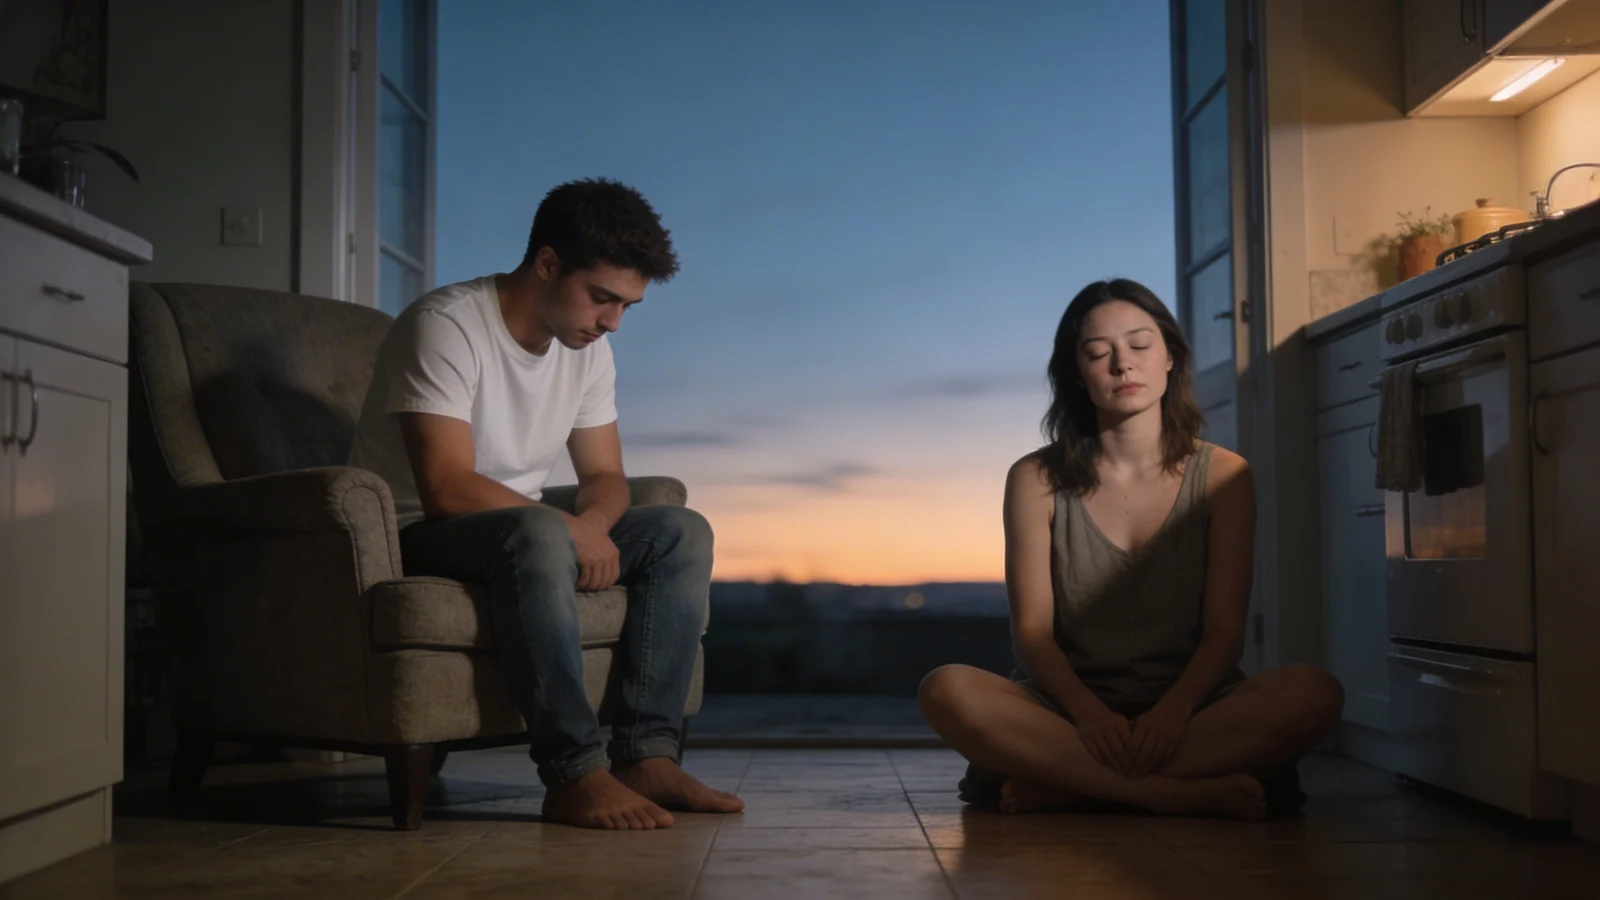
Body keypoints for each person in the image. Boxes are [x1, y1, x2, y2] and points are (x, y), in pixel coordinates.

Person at [349, 178, 743, 830]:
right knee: (535, 535)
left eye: (627, 307)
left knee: (680, 530)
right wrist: (561, 529)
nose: (612, 321)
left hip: (524, 524)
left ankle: (646, 755)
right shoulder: (444, 325)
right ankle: (573, 773)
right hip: (414, 529)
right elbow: (445, 484)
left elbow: (606, 476)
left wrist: (590, 525)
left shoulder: (587, 351)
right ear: (548, 264)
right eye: (602, 299)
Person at [917, 278, 1344, 820]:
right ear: (1077, 373)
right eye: (1099, 353)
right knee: (945, 689)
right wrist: (1089, 716)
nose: (1123, 365)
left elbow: (1223, 635)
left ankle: (1072, 786)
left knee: (1314, 692)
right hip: (1065, 711)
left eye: (1140, 346)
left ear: (1171, 358)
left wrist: (1171, 714)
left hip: (1190, 711)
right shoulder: (1033, 477)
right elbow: (1031, 635)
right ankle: (1165, 793)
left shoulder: (1225, 475)